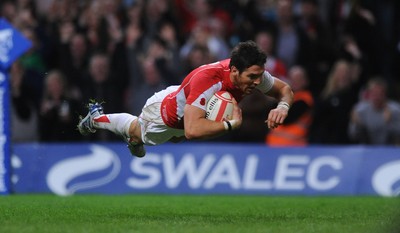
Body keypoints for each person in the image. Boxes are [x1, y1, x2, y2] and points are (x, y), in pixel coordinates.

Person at [77, 41, 294, 157]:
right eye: (252, 77)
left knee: (175, 138)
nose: (258, 82)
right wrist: (229, 125)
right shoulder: (209, 80)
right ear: (235, 70)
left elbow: (284, 89)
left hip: (188, 107)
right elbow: (192, 131)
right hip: (165, 115)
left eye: (259, 76)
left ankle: (134, 139)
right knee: (137, 132)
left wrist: (282, 106)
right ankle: (96, 118)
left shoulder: (252, 72)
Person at [265, 65, 314, 146]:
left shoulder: (305, 100)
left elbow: (286, 118)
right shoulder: (286, 96)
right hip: (273, 145)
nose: (295, 82)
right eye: (293, 79)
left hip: (293, 146)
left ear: (305, 81)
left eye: (299, 79)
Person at [348, 77, 400, 145]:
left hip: (389, 149)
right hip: (366, 149)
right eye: (374, 94)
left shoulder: (395, 110)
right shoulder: (361, 110)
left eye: (379, 94)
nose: (377, 98)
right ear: (369, 94)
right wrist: (357, 124)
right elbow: (352, 134)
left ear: (385, 94)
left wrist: (389, 123)